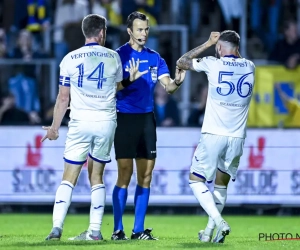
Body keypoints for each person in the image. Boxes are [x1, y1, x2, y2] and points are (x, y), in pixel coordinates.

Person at [43, 14, 146, 241]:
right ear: (101, 33)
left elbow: (62, 98)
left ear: (85, 32)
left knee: (68, 176)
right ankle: (95, 231)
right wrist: (130, 79)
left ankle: (56, 229)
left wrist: (54, 128)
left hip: (80, 122)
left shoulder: (69, 58)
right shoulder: (112, 57)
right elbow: (115, 85)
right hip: (105, 122)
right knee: (96, 176)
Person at [111, 11, 186, 241]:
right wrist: (128, 81)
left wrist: (177, 82)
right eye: (140, 29)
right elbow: (110, 89)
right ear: (129, 31)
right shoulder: (118, 56)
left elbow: (168, 87)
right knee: (125, 174)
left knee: (146, 176)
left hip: (146, 121)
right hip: (124, 118)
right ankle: (117, 230)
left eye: (146, 29)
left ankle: (138, 231)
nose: (144, 33)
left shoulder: (155, 58)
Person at [177, 30, 255, 243]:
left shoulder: (213, 63)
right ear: (237, 47)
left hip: (213, 134)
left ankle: (219, 221)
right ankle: (209, 234)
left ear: (220, 48)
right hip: (237, 138)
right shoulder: (250, 67)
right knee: (221, 185)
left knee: (195, 181)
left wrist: (206, 43)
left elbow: (182, 62)